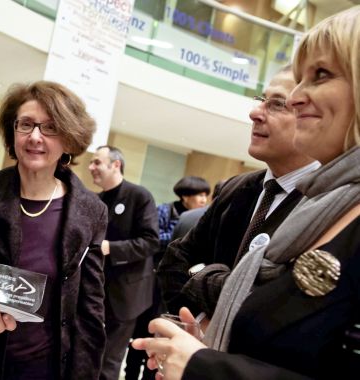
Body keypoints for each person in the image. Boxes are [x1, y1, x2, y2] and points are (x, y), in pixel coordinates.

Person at [133, 6, 360, 379]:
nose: (299, 95)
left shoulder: (326, 208)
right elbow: (177, 260)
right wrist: (208, 342)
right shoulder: (322, 203)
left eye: (320, 75)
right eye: (265, 98)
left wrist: (204, 364)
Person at [0, 81, 108, 380]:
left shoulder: (91, 210)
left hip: (47, 365)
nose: (35, 137)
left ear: (69, 140)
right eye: (26, 124)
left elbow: (89, 306)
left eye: (50, 127)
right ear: (12, 131)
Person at [159, 64, 320, 317]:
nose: (255, 113)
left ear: (316, 118)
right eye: (260, 100)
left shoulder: (324, 204)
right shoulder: (237, 189)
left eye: (277, 104)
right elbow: (175, 259)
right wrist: (198, 323)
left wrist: (201, 275)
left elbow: (273, 303)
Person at [125, 176, 210, 380]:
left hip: (177, 285)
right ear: (185, 196)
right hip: (153, 280)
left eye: (206, 195)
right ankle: (131, 374)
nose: (203, 200)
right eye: (199, 195)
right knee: (142, 330)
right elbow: (153, 239)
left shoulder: (202, 218)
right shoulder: (165, 210)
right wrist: (177, 233)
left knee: (164, 331)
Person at [88, 145, 159, 380]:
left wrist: (111, 248)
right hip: (94, 292)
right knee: (88, 355)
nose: (91, 167)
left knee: (109, 361)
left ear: (115, 164)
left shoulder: (139, 196)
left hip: (125, 295)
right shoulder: (95, 200)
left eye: (97, 162)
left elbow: (150, 242)